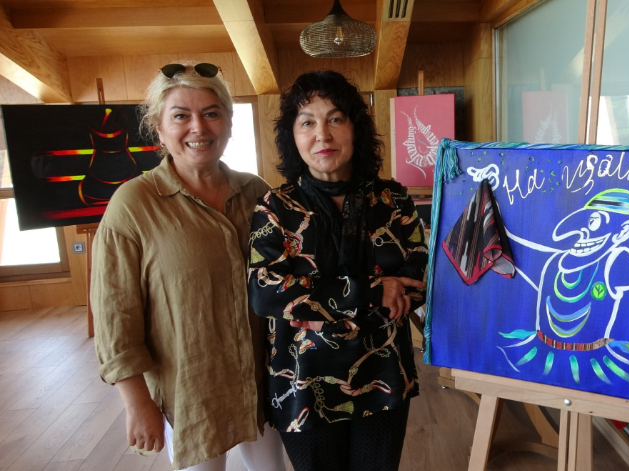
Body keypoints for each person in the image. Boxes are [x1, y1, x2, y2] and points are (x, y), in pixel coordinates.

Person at [91, 62, 286, 471]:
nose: (198, 127)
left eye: (211, 113)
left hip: (263, 380)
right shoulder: (134, 204)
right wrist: (137, 403)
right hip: (193, 390)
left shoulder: (256, 192)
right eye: (180, 115)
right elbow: (115, 313)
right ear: (159, 129)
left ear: (228, 124)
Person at [247, 70, 427, 471]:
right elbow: (265, 291)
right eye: (307, 122)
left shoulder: (393, 200)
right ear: (293, 136)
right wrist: (374, 291)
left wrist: (316, 301)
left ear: (355, 128)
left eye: (335, 119)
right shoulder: (275, 207)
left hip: (384, 376)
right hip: (302, 383)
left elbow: (419, 277)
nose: (322, 135)